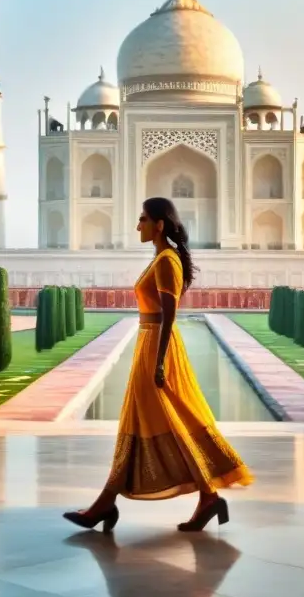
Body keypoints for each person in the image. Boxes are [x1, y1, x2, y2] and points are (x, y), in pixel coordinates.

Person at [63, 197, 253, 533]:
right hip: (147, 342)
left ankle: (107, 504)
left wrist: (161, 360)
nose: (138, 226)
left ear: (159, 224)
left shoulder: (167, 261)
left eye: (142, 219)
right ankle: (200, 497)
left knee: (168, 417)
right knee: (144, 419)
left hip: (156, 346)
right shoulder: (160, 259)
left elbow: (169, 314)